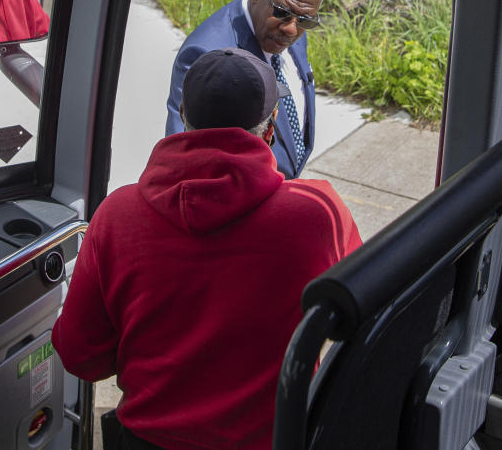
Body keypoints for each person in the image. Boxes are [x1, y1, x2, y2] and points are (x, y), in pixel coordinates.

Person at [54, 48, 362, 450]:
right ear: (269, 131)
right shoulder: (317, 214)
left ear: (182, 116)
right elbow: (359, 312)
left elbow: (81, 356)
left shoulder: (116, 216)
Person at [165, 0, 325, 179]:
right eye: (281, 12)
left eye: (305, 21)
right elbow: (183, 162)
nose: (291, 29)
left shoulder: (289, 25)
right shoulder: (206, 56)